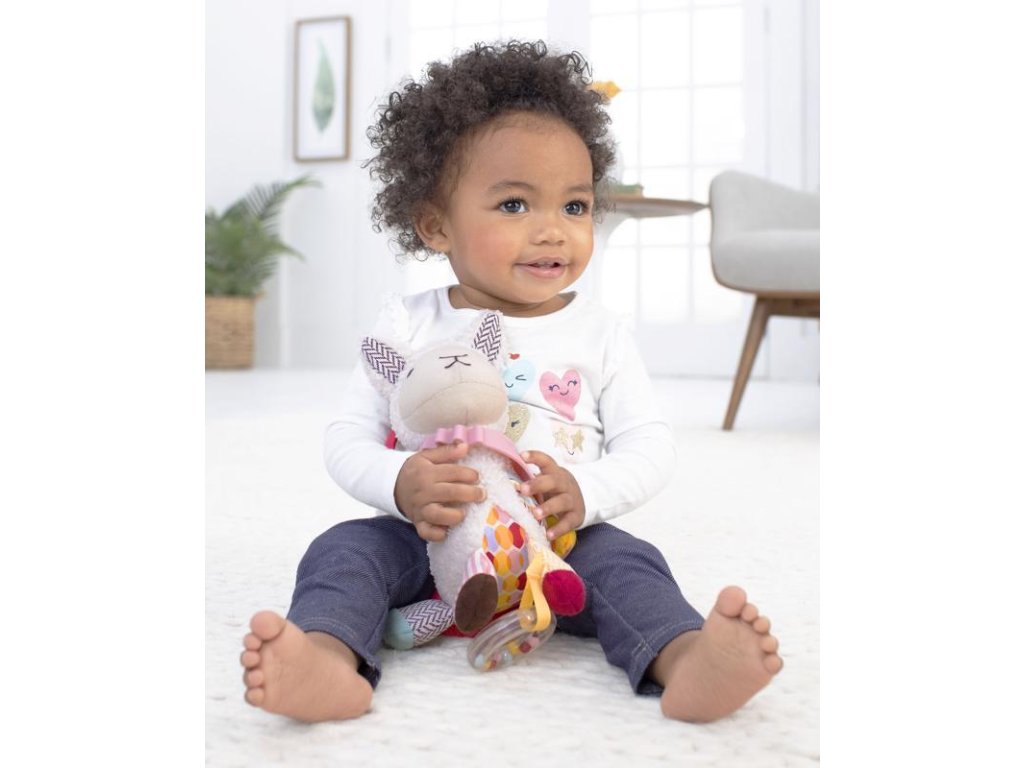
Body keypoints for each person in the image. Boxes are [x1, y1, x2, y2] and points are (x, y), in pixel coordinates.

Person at [240, 40, 781, 724]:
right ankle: (325, 658)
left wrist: (584, 493)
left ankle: (685, 657)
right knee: (342, 552)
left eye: (575, 207)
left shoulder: (601, 333)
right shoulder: (407, 324)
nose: (553, 231)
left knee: (631, 565)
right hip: (429, 537)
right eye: (516, 205)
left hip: (559, 544)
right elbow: (347, 435)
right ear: (435, 224)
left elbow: (650, 445)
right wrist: (402, 484)